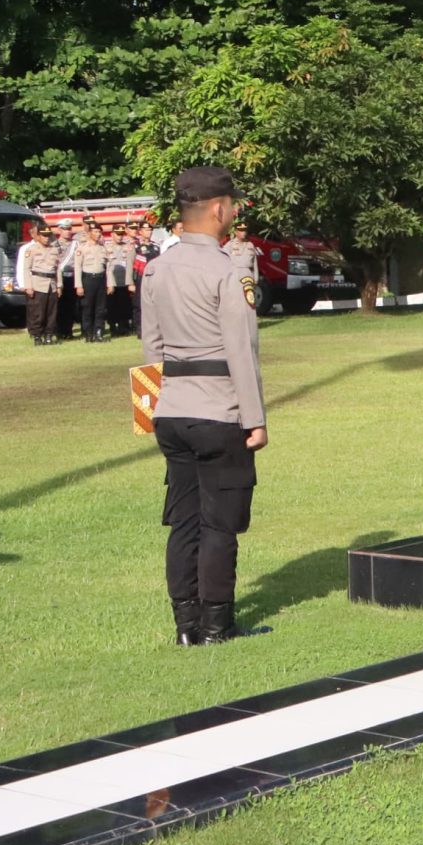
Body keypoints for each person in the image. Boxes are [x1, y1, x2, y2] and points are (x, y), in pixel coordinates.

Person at [139, 166, 270, 646]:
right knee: (219, 523)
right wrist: (255, 420)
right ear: (219, 208)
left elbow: (150, 347)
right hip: (219, 410)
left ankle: (185, 626)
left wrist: (148, 409)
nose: (233, 212)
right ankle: (218, 625)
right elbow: (241, 350)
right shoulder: (228, 271)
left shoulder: (155, 268)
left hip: (171, 409)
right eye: (232, 205)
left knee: (184, 521)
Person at [18, 223, 58, 343]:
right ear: (39, 236)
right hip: (38, 283)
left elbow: (57, 268)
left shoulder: (54, 249)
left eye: (48, 236)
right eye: (44, 236)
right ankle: (37, 335)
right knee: (38, 312)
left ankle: (49, 335)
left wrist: (59, 285)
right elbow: (26, 269)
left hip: (52, 283)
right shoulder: (31, 250)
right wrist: (28, 286)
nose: (47, 238)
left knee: (51, 312)